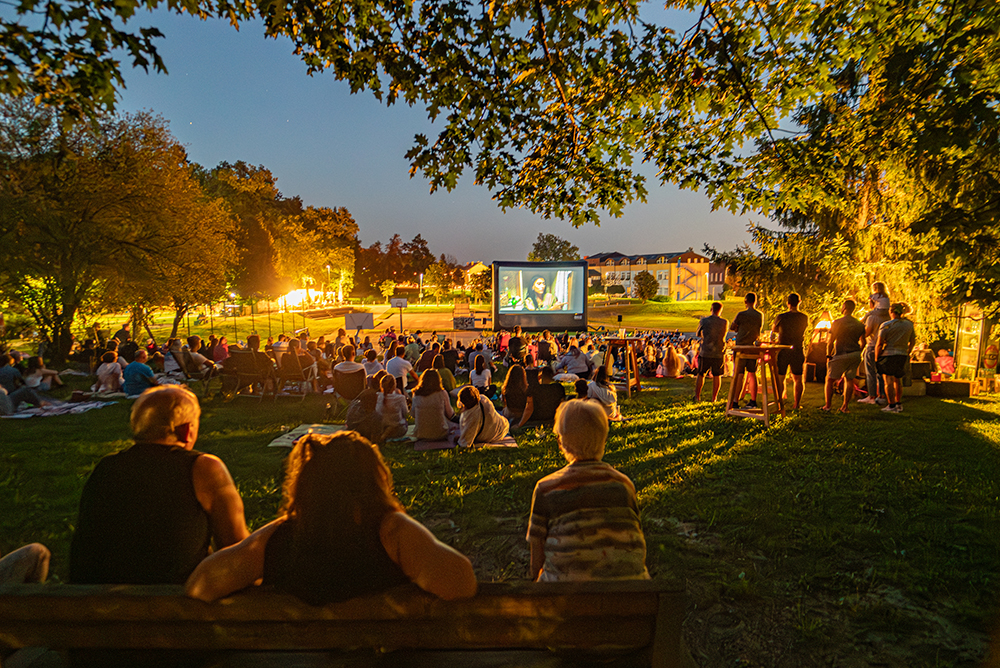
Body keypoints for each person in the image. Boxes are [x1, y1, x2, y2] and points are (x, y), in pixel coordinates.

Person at [185, 431, 476, 604]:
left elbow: (202, 583)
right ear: (374, 479)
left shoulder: (283, 538)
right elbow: (461, 582)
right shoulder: (391, 533)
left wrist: (274, 530)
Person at [70, 385, 249, 584]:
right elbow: (237, 550)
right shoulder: (203, 468)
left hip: (94, 601)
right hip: (170, 602)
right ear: (187, 430)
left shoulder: (107, 467)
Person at [527, 399, 648, 582]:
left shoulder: (547, 489)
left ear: (562, 441)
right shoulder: (624, 485)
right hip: (628, 600)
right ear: (603, 437)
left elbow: (537, 561)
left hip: (566, 601)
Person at [822, 299, 867, 413]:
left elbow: (831, 341)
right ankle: (845, 407)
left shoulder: (837, 322)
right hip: (855, 354)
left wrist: (828, 355)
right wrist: (858, 351)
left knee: (830, 379)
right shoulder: (859, 324)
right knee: (849, 379)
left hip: (841, 353)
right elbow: (864, 342)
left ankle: (828, 406)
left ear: (845, 308)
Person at [876, 303, 916, 413]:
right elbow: (912, 341)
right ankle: (898, 403)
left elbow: (879, 343)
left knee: (888, 380)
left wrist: (876, 357)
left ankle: (891, 405)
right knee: (898, 380)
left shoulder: (886, 325)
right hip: (902, 354)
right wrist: (908, 351)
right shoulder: (909, 325)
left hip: (889, 354)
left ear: (891, 312)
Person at [771, 293, 809, 410]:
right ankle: (796, 404)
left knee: (781, 377)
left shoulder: (781, 317)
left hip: (783, 349)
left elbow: (774, 330)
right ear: (799, 302)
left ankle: (779, 403)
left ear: (788, 303)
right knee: (798, 378)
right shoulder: (804, 317)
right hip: (797, 348)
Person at [729, 292, 763, 409]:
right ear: (755, 301)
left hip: (741, 346)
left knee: (739, 373)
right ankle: (753, 400)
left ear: (745, 301)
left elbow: (732, 327)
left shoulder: (741, 314)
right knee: (752, 373)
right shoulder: (759, 315)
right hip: (753, 346)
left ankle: (735, 401)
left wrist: (739, 327)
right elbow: (758, 328)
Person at [860, 292, 891, 405]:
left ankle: (872, 396)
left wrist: (859, 333)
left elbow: (867, 332)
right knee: (881, 372)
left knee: (870, 372)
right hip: (885, 347)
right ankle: (882, 395)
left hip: (872, 346)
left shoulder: (872, 317)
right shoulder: (888, 316)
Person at [694, 301, 728, 402]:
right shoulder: (724, 322)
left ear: (711, 309)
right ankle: (714, 398)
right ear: (720, 311)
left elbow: (697, 333)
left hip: (705, 351)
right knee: (717, 375)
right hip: (718, 351)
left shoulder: (704, 321)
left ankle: (697, 396)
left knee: (701, 373)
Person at [411, 369, 455, 441]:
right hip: (440, 434)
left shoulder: (416, 394)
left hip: (421, 433)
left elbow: (413, 414)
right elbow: (450, 414)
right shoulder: (442, 393)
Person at [376, 374, 409, 441]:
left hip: (382, 428)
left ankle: (386, 433)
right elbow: (405, 413)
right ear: (394, 386)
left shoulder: (377, 396)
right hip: (398, 430)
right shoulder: (400, 398)